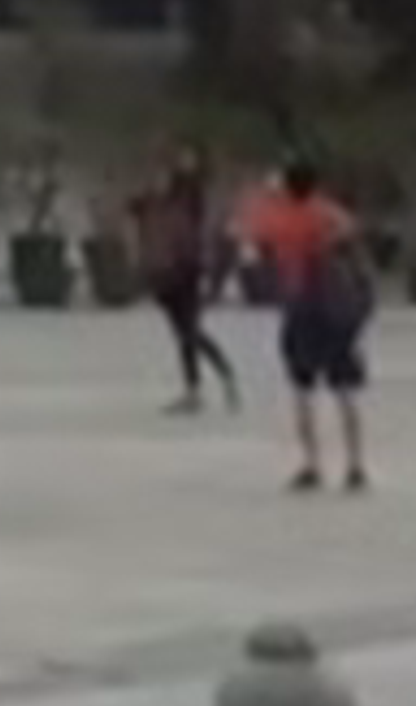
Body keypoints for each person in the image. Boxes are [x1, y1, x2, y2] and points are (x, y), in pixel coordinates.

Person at [247, 152, 375, 494]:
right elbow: (350, 226)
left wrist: (272, 194)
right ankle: (355, 464)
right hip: (336, 311)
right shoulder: (325, 214)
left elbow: (254, 233)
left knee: (302, 390)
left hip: (300, 308)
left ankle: (312, 464)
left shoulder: (281, 219)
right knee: (345, 391)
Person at [132, 146, 243, 417]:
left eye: (189, 158)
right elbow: (139, 212)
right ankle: (196, 389)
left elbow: (196, 225)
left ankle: (222, 375)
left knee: (190, 332)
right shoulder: (159, 200)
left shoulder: (190, 197)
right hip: (166, 272)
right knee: (184, 335)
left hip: (186, 271)